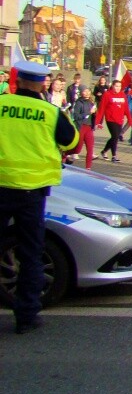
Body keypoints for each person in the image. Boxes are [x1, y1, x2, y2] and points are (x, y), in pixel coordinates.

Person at [0, 61, 79, 333]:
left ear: (18, 80)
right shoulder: (50, 112)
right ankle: (25, 315)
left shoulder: (1, 105)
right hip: (32, 193)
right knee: (31, 253)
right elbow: (72, 143)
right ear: (42, 83)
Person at [95, 78, 132, 162]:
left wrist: (130, 119)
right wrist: (97, 122)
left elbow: (126, 108)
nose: (118, 88)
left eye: (119, 86)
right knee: (115, 136)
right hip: (110, 119)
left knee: (114, 137)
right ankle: (114, 156)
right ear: (112, 86)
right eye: (116, 86)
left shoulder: (123, 95)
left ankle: (104, 151)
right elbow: (101, 109)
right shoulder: (107, 94)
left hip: (120, 119)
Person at [67, 86, 97, 169]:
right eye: (85, 91)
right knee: (77, 150)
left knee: (90, 149)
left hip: (89, 127)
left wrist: (95, 114)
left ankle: (88, 168)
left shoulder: (91, 102)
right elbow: (76, 116)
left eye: (88, 91)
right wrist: (88, 113)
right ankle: (65, 155)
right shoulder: (78, 103)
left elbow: (93, 115)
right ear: (81, 92)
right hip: (81, 127)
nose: (87, 93)